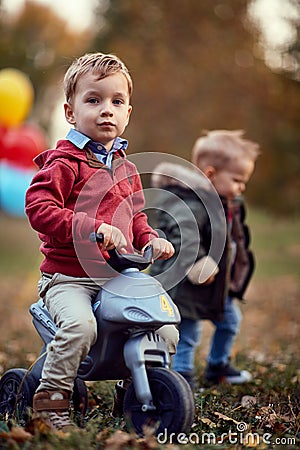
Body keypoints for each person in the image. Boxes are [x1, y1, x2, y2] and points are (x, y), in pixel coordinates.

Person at [25, 52, 177, 431]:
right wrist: (89, 226)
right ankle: (51, 398)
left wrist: (150, 239)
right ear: (70, 112)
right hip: (69, 277)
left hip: (117, 278)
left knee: (164, 328)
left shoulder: (126, 168)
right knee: (80, 327)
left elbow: (135, 216)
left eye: (116, 101)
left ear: (128, 112)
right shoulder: (64, 163)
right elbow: (39, 208)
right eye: (93, 100)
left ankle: (140, 390)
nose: (106, 110)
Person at [150, 130, 260, 387]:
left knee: (230, 321)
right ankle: (182, 375)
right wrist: (198, 263)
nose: (241, 187)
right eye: (237, 180)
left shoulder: (226, 203)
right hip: (187, 285)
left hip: (217, 285)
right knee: (187, 332)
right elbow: (184, 236)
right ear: (210, 174)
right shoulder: (188, 202)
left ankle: (218, 367)